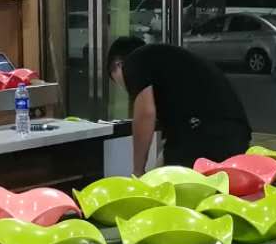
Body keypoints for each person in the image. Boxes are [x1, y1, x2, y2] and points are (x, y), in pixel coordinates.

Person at [107, 36, 251, 175]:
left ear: (119, 65)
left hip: (205, 135)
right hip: (235, 134)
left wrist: (137, 171)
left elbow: (145, 115)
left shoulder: (134, 61)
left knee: (173, 186)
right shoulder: (168, 64)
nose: (126, 87)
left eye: (118, 81)